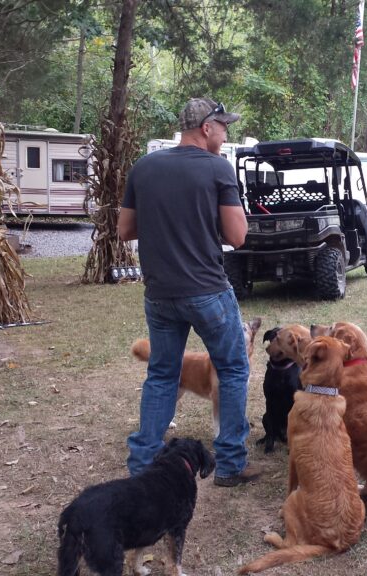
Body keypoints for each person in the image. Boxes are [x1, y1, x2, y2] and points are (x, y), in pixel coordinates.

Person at [117, 97, 259, 486]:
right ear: (207, 128)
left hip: (160, 293)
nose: (226, 133)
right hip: (207, 291)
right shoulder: (217, 168)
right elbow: (237, 236)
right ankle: (230, 465)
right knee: (232, 369)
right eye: (223, 126)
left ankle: (143, 463)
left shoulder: (143, 168)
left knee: (162, 374)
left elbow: (125, 230)